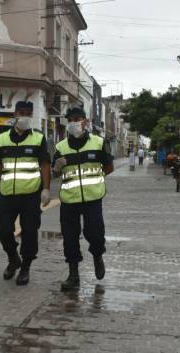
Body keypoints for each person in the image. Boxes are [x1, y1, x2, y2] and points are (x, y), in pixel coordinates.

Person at [0, 101, 51, 286]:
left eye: (28, 113)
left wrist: (46, 189)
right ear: (14, 113)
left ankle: (25, 268)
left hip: (31, 195)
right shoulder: (2, 138)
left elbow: (45, 164)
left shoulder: (38, 138)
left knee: (30, 232)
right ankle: (13, 258)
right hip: (7, 194)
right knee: (4, 230)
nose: (24, 116)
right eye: (21, 112)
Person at [52, 107, 114, 291]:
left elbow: (109, 167)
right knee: (70, 237)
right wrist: (57, 166)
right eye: (71, 119)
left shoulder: (98, 142)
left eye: (77, 118)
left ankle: (97, 256)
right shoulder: (60, 147)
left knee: (95, 233)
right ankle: (73, 274)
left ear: (85, 121)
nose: (74, 122)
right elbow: (56, 174)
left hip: (93, 198)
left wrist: (95, 180)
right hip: (69, 200)